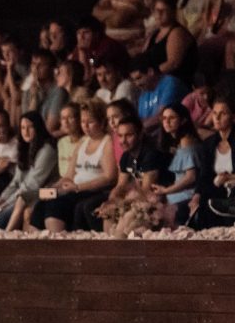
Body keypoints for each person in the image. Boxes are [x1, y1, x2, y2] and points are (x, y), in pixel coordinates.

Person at [33, 99, 119, 232]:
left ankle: (57, 243)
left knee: (56, 204)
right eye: (83, 122)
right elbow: (69, 175)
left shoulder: (107, 142)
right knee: (41, 203)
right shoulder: (83, 142)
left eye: (90, 122)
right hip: (74, 189)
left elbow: (109, 177)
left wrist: (78, 187)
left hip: (92, 190)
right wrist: (54, 188)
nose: (85, 126)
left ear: (102, 122)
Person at [90, 115, 171, 233]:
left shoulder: (150, 154)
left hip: (162, 202)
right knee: (107, 213)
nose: (123, 140)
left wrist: (118, 204)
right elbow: (120, 186)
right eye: (120, 136)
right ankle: (109, 247)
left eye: (129, 135)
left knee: (127, 221)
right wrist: (110, 203)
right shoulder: (126, 156)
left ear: (140, 134)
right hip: (141, 200)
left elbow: (147, 192)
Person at [0, 112, 59, 231]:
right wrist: (1, 199)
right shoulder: (26, 147)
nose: (25, 132)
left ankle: (1, 236)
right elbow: (16, 181)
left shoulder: (47, 150)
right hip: (28, 193)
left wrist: (7, 203)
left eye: (30, 127)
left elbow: (32, 185)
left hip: (51, 192)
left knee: (6, 212)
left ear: (37, 127)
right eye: (23, 128)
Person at [189, 94, 235, 227]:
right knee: (203, 197)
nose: (217, 118)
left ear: (234, 117)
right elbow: (204, 175)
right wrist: (196, 195)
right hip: (216, 188)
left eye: (223, 113)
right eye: (214, 113)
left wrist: (229, 177)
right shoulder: (208, 144)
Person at [151, 102, 202, 224]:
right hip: (176, 196)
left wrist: (166, 191)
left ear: (183, 120)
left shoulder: (187, 141)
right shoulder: (177, 142)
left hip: (186, 197)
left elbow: (191, 177)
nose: (166, 122)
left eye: (172, 118)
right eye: (164, 118)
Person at [142, 0, 200, 84]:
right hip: (154, 81)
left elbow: (173, 63)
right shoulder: (154, 34)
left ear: (173, 12)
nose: (159, 14)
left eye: (163, 10)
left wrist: (149, 75)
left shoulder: (177, 33)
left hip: (174, 82)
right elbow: (143, 57)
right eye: (157, 10)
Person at [131, 54, 190, 129]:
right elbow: (141, 120)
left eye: (139, 78)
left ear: (150, 72)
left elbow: (161, 117)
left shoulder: (170, 84)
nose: (137, 84)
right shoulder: (144, 93)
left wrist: (137, 127)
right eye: (134, 81)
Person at [71, 15, 131, 86]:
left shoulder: (107, 46)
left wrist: (82, 52)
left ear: (97, 34)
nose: (81, 37)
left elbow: (89, 78)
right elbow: (76, 76)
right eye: (78, 33)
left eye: (86, 32)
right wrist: (81, 52)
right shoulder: (82, 47)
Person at [20, 49, 68, 135]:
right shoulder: (28, 90)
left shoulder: (59, 92)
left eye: (41, 65)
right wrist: (34, 97)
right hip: (30, 138)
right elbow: (26, 122)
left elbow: (49, 128)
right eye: (33, 64)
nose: (36, 68)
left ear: (51, 68)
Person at [57, 102, 85, 177]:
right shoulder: (61, 142)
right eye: (63, 118)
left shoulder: (86, 141)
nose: (66, 122)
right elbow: (62, 172)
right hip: (64, 183)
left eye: (70, 118)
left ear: (79, 119)